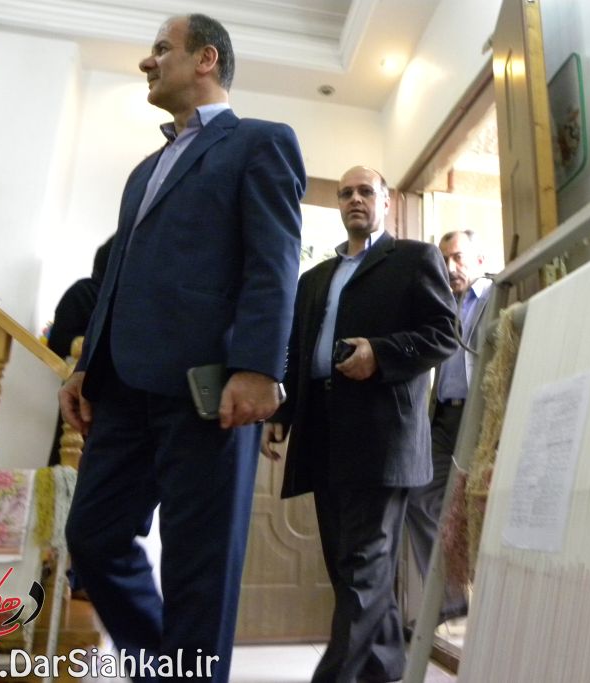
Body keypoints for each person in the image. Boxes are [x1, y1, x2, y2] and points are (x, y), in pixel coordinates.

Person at [59, 13, 305, 681]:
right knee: (92, 538)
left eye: (161, 49)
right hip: (121, 388)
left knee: (200, 569)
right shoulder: (144, 171)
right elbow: (116, 278)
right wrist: (85, 368)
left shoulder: (261, 141)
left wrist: (258, 367)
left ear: (205, 59)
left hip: (209, 390)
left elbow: (274, 262)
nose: (148, 61)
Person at [261, 166, 458, 683]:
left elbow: (445, 333)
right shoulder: (314, 280)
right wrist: (282, 415)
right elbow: (298, 353)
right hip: (322, 436)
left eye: (365, 191)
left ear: (386, 202)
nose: (354, 199)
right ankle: (384, 673)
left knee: (363, 572)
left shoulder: (415, 259)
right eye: (346, 193)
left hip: (383, 440)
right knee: (350, 571)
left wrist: (381, 353)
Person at [403, 230, 491, 633]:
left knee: (484, 505)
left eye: (458, 257)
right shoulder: (439, 305)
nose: (450, 267)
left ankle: (488, 599)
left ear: (479, 260)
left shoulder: (495, 297)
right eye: (444, 260)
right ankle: (452, 600)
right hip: (442, 418)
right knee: (419, 496)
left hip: (482, 415)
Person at [46, 236, 113, 466]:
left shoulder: (126, 303)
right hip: (84, 383)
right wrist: (86, 346)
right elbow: (58, 340)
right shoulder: (84, 292)